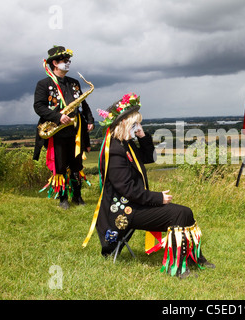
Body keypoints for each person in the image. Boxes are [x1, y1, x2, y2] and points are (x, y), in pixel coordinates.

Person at [82, 93, 214, 279]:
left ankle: (194, 258)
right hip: (125, 210)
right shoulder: (115, 151)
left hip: (134, 203)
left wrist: (142, 136)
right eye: (134, 124)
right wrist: (157, 198)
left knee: (186, 212)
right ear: (123, 124)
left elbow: (148, 158)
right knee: (178, 213)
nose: (137, 127)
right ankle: (176, 268)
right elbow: (127, 189)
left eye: (138, 124)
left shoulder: (124, 144)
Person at [33, 46, 95, 209]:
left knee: (77, 165)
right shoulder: (43, 84)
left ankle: (77, 196)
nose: (68, 64)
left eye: (69, 61)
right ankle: (63, 199)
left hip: (75, 131)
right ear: (54, 63)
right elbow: (38, 106)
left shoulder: (74, 82)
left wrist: (89, 119)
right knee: (59, 165)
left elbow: (83, 103)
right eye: (64, 61)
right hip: (57, 131)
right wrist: (58, 116)